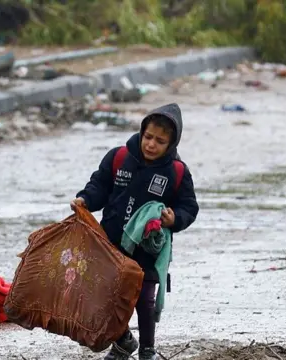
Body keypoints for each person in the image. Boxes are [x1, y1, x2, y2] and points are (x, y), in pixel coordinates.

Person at [71, 103, 199, 360]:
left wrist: (174, 219)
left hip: (148, 248)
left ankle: (148, 350)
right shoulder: (118, 158)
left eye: (160, 141)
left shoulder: (176, 172)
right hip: (112, 245)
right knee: (107, 298)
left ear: (171, 144)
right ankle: (123, 341)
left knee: (145, 301)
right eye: (148, 137)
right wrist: (85, 199)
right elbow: (99, 186)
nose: (151, 144)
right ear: (142, 132)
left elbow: (189, 206)